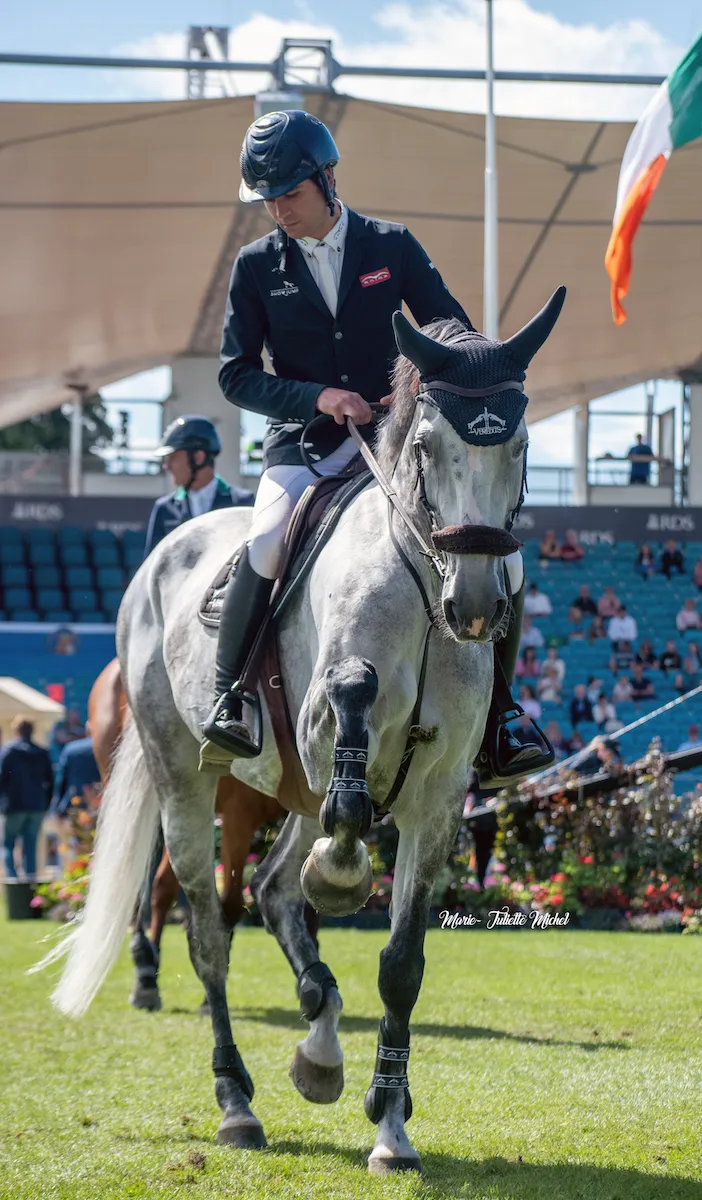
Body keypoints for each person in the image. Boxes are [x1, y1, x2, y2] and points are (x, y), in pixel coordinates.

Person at [201, 109, 549, 785]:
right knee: (267, 538)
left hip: (399, 443)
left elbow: (452, 330)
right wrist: (319, 397)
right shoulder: (255, 265)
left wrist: (421, 389)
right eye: (268, 199)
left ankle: (501, 717)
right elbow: (234, 375)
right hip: (304, 443)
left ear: (328, 178)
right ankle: (231, 697)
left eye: (291, 193)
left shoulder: (391, 246)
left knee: (504, 561)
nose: (279, 210)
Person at [144, 415, 255, 557]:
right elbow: (152, 564)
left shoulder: (242, 502)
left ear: (198, 458)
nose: (166, 466)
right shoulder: (164, 508)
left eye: (173, 457)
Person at [0, 717, 53, 880]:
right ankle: (29, 882)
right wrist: (46, 804)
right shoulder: (42, 753)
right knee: (30, 845)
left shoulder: (8, 751)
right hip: (36, 805)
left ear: (16, 730)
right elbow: (50, 781)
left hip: (13, 805)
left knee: (8, 844)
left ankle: (12, 880)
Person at [50, 726, 101, 817]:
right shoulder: (105, 747)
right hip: (100, 800)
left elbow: (61, 779)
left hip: (74, 799)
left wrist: (57, 804)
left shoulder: (71, 748)